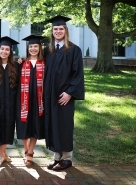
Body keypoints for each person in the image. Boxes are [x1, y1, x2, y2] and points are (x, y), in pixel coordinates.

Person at [43, 15, 85, 171]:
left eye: (61, 29)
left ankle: (67, 158)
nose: (58, 31)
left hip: (64, 96)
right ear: (52, 31)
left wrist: (69, 92)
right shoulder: (48, 50)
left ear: (65, 31)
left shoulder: (74, 50)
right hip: (50, 96)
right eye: (55, 29)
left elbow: (78, 74)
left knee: (65, 124)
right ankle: (57, 156)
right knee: (53, 123)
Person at [0, 36, 19, 167]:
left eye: (7, 49)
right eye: (2, 49)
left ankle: (3, 154)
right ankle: (1, 156)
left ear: (11, 52)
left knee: (8, 128)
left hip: (10, 104)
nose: (4, 51)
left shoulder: (16, 66)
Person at [16, 35, 45, 167]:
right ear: (28, 48)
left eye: (35, 46)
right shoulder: (21, 63)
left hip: (38, 102)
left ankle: (30, 152)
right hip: (23, 101)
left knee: (35, 127)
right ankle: (26, 149)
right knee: (23, 127)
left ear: (40, 48)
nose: (33, 49)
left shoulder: (45, 64)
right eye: (31, 46)